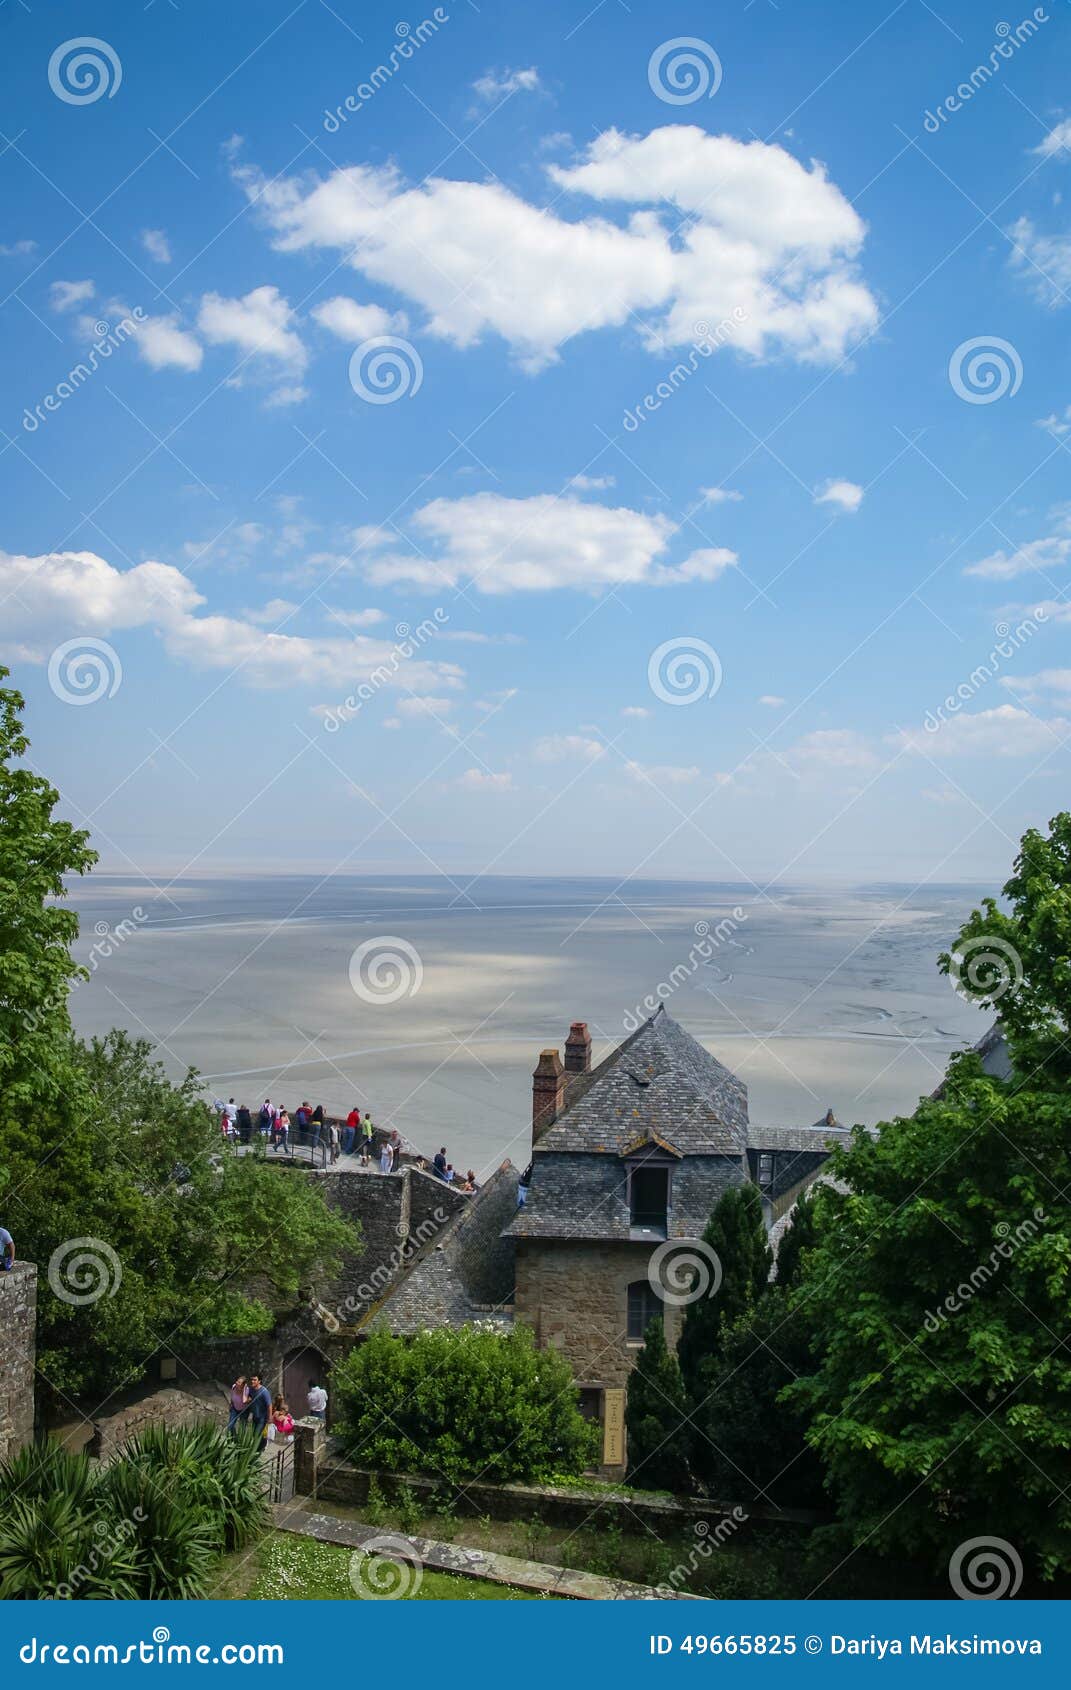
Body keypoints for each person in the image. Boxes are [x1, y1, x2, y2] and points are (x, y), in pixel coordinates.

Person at [245, 1374, 273, 1450]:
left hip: (262, 1417)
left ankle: (256, 1450)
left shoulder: (264, 1392)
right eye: (252, 1379)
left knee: (257, 1433)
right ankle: (262, 1445)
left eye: (254, 1380)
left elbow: (269, 1405)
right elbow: (249, 1397)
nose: (252, 1381)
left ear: (259, 1381)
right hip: (255, 1415)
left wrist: (270, 1417)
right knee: (255, 1433)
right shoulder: (251, 1389)